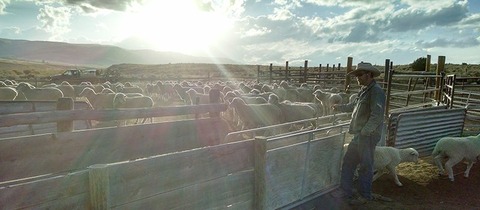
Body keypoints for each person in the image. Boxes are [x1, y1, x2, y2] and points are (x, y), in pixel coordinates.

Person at [332, 61, 390, 205]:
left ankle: (365, 195)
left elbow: (377, 115)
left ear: (369, 75)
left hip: (367, 136)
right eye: (357, 74)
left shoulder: (376, 91)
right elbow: (354, 106)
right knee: (349, 162)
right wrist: (339, 108)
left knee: (365, 165)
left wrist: (366, 131)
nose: (357, 77)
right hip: (360, 135)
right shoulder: (364, 90)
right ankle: (346, 190)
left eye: (360, 74)